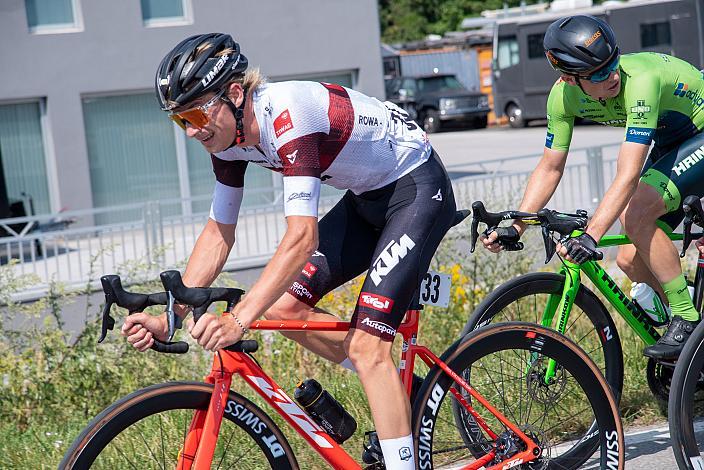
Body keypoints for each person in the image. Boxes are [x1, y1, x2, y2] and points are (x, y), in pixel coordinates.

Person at [120, 33, 457, 468]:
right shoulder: (226, 137)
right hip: (366, 198)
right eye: (178, 119)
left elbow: (302, 238)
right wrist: (172, 314)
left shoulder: (288, 117)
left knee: (368, 348)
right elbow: (219, 231)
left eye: (194, 113)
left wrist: (239, 319)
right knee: (284, 309)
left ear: (235, 93)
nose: (190, 131)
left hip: (416, 189)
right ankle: (390, 386)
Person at [481, 15, 704, 359]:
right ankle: (694, 324)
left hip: (699, 132)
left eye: (612, 61)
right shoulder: (562, 99)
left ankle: (687, 320)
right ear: (569, 78)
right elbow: (550, 167)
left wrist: (592, 235)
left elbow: (627, 175)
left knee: (637, 214)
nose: (612, 75)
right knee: (630, 260)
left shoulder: (641, 81)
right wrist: (517, 225)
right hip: (673, 141)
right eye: (598, 72)